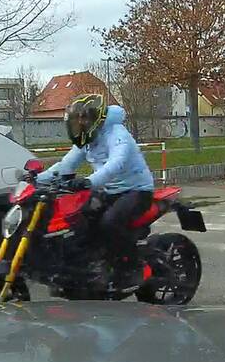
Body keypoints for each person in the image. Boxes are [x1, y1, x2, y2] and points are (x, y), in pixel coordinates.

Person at [37, 94, 155, 288]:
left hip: (136, 190)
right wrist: (36, 179)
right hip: (107, 191)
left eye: (83, 119)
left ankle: (134, 267)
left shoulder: (117, 134)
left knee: (110, 222)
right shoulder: (88, 138)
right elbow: (66, 165)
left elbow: (116, 164)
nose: (79, 124)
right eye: (76, 121)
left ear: (95, 118)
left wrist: (89, 181)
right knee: (77, 218)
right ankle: (91, 264)